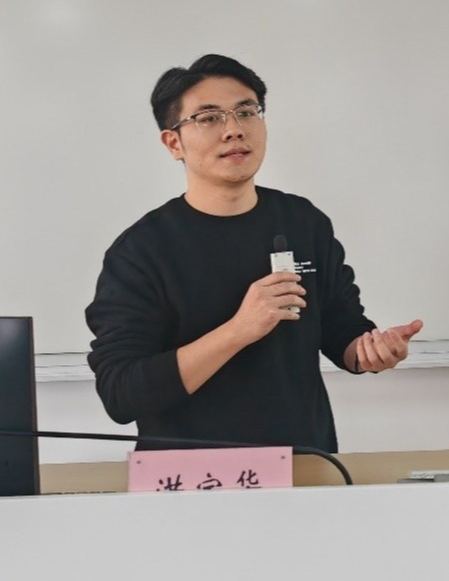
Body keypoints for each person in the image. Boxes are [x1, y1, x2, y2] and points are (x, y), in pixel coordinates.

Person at [85, 54, 423, 452]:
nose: (234, 130)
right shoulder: (141, 251)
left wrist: (370, 352)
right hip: (190, 473)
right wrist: (239, 330)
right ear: (174, 142)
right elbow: (122, 393)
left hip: (301, 460)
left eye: (246, 112)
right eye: (209, 118)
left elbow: (341, 330)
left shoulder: (302, 221)